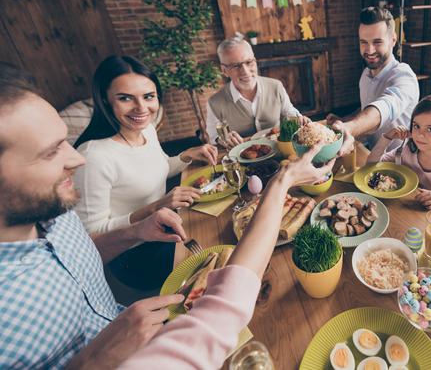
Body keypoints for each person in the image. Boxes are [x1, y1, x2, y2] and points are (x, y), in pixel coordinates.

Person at [0, 62, 187, 368]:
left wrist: (137, 231)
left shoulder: (56, 215)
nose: (77, 158)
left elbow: (83, 253)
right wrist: (93, 361)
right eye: (50, 152)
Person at [112, 144, 334, 369]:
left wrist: (183, 156)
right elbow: (225, 308)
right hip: (138, 266)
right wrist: (281, 181)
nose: (77, 159)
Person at [73, 55, 218, 290]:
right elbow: (92, 237)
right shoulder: (93, 157)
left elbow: (157, 169)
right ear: (105, 101)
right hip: (134, 256)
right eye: (125, 98)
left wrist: (188, 155)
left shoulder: (147, 129)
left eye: (148, 97)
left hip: (167, 223)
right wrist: (155, 207)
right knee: (218, 253)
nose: (141, 108)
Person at [328, 7, 419, 154]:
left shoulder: (404, 76)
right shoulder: (366, 74)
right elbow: (367, 109)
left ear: (393, 40)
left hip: (401, 164)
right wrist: (344, 121)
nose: (369, 50)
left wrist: (350, 128)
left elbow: (384, 107)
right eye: (364, 42)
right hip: (373, 156)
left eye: (377, 42)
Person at [205, 34, 310, 148]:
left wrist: (299, 118)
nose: (245, 71)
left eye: (249, 62)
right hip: (242, 156)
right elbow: (213, 137)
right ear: (224, 70)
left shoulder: (276, 86)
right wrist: (223, 139)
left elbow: (289, 112)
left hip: (279, 149)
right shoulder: (214, 102)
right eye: (236, 66)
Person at [367, 94, 431, 210]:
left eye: (430, 129)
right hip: (399, 210)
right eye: (416, 126)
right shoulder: (406, 151)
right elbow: (371, 165)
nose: (420, 134)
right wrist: (387, 138)